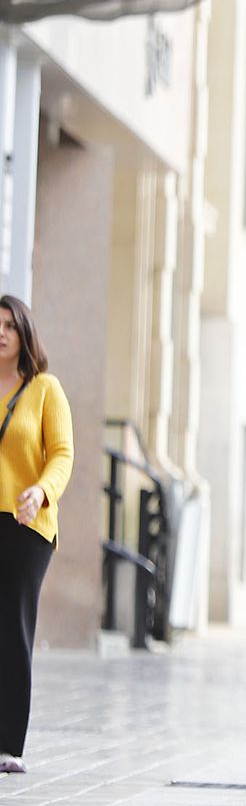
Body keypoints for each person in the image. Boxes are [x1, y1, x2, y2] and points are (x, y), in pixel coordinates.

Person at [0, 295, 73, 775]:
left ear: (24, 332)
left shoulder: (45, 388)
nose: (1, 332)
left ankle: (9, 745)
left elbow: (62, 453)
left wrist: (41, 493)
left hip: (26, 525)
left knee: (12, 627)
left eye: (9, 325)